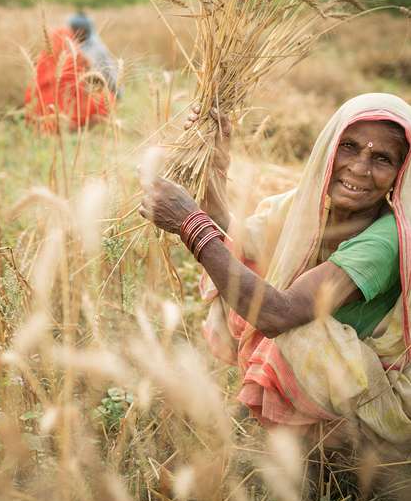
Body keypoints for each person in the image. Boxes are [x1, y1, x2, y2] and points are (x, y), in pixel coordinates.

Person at [139, 93, 411, 454]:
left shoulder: (386, 241)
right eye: (349, 146)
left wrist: (189, 224)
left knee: (292, 335)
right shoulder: (309, 206)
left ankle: (338, 448)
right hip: (337, 376)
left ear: (400, 174)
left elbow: (277, 315)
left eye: (382, 159)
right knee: (238, 277)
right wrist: (214, 163)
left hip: (377, 397)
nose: (360, 168)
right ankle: (293, 430)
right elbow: (239, 243)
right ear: (328, 148)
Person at [24, 12, 119, 133]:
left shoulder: (56, 41)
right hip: (67, 109)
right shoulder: (77, 51)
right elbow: (85, 77)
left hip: (39, 111)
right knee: (107, 101)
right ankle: (76, 128)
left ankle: (50, 126)